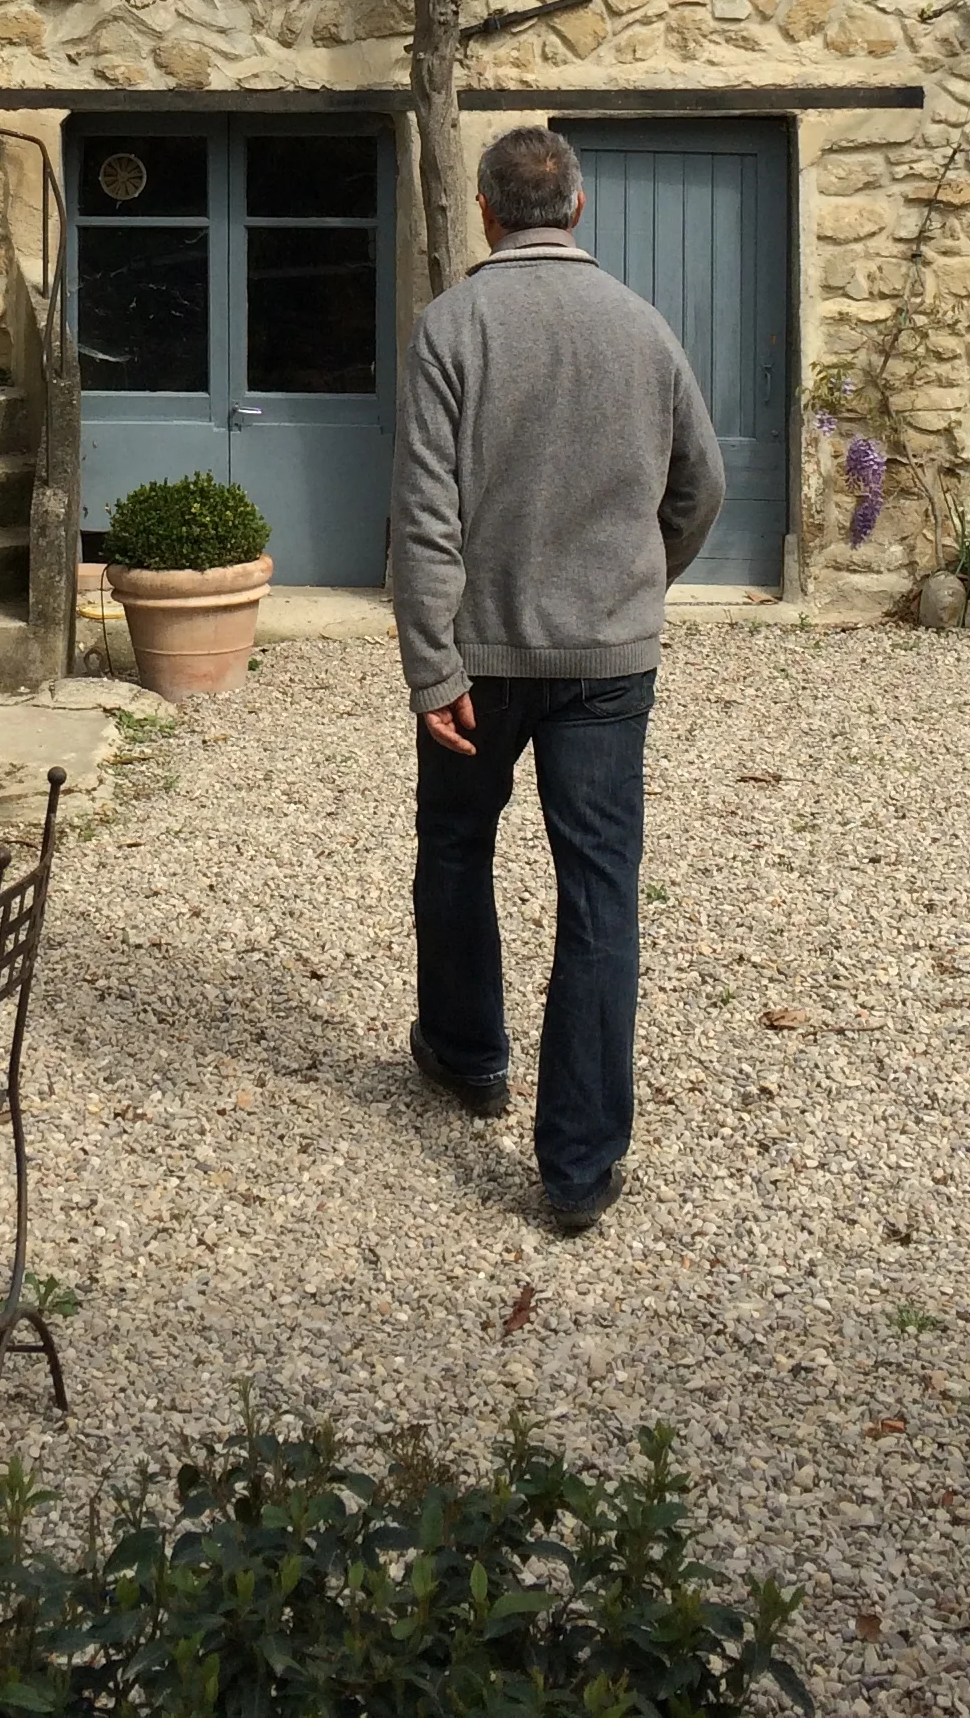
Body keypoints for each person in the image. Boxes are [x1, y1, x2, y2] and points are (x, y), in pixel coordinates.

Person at [390, 122, 724, 1233]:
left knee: (455, 845)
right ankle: (578, 1173)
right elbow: (701, 485)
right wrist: (638, 581)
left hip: (478, 660)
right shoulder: (641, 325)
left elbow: (427, 522)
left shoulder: (452, 328)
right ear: (576, 209)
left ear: (490, 214)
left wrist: (432, 668)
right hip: (609, 662)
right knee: (600, 898)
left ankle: (469, 1055)